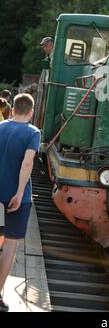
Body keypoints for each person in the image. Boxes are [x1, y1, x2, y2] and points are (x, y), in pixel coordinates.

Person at [0, 93, 41, 312]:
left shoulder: (0, 127)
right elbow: (27, 164)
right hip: (17, 200)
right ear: (31, 112)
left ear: (13, 108)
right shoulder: (33, 132)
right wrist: (17, 194)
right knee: (10, 246)